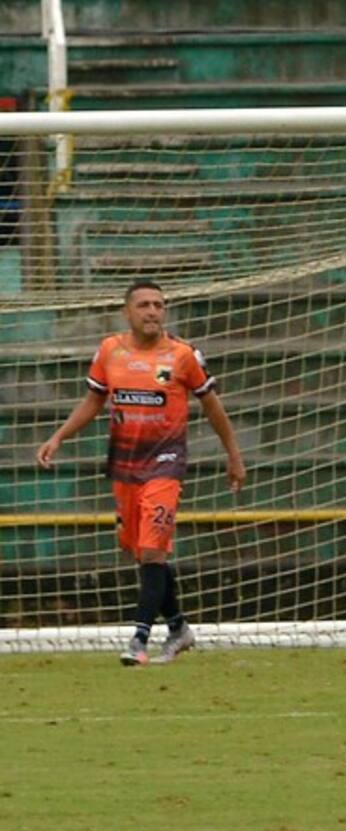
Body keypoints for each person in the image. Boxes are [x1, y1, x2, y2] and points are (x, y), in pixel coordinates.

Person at [36, 280, 246, 665]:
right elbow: (93, 401)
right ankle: (179, 628)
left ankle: (139, 640)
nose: (153, 311)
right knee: (142, 554)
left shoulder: (183, 356)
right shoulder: (110, 351)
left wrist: (233, 454)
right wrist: (59, 437)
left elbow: (213, 406)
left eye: (159, 305)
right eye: (145, 305)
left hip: (166, 463)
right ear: (127, 312)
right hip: (124, 465)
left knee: (152, 549)